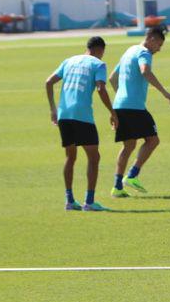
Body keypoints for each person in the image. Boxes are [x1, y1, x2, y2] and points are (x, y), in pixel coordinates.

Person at [45, 36, 118, 212]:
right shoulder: (98, 64)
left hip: (64, 114)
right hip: (82, 115)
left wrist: (53, 109)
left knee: (70, 157)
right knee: (94, 157)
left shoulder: (69, 61)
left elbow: (48, 82)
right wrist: (112, 112)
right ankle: (89, 202)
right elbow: (101, 88)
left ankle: (69, 201)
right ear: (100, 50)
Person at [109, 26, 170, 197]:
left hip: (120, 105)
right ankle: (132, 175)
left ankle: (117, 187)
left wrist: (120, 98)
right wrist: (165, 93)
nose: (158, 50)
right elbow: (145, 71)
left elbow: (112, 78)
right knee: (153, 140)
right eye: (159, 45)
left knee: (129, 145)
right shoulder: (144, 53)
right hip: (134, 107)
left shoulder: (129, 51)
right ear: (152, 39)